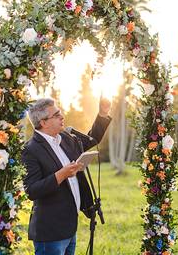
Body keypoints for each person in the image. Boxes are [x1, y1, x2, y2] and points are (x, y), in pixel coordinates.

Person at [21, 97, 111, 255]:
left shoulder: (67, 138)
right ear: (43, 122)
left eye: (60, 112)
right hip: (50, 232)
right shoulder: (30, 149)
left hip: (69, 227)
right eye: (56, 115)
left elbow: (91, 139)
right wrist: (61, 175)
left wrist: (103, 114)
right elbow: (32, 190)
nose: (62, 116)